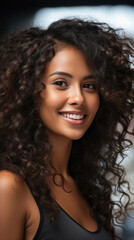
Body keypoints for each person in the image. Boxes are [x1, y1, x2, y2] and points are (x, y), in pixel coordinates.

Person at [0, 17, 133, 240]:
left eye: (89, 85)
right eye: (61, 83)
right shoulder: (9, 187)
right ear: (28, 91)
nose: (78, 98)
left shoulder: (86, 188)